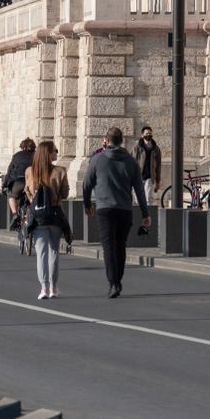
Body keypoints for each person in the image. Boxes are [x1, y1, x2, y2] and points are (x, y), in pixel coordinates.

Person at [81, 127, 150, 298]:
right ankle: (118, 279)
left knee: (108, 247)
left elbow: (86, 184)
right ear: (122, 141)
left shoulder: (97, 159)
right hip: (124, 209)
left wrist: (87, 204)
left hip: (104, 209)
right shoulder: (131, 161)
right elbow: (140, 190)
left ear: (107, 139)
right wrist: (145, 213)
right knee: (120, 246)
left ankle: (113, 282)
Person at [25, 141, 71, 299]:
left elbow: (29, 194)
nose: (56, 153)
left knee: (41, 254)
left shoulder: (30, 172)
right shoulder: (60, 171)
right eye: (55, 151)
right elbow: (65, 193)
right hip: (55, 216)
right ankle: (53, 287)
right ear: (48, 153)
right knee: (54, 253)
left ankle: (43, 288)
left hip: (38, 217)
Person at [3, 138, 36, 231]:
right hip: (32, 183)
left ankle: (15, 214)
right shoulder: (37, 155)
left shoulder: (17, 156)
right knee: (33, 199)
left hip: (19, 182)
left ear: (23, 147)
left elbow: (9, 172)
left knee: (11, 195)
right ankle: (29, 216)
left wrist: (4, 185)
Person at [133, 126, 161, 206]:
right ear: (142, 135)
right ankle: (138, 217)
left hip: (149, 176)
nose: (148, 135)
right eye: (146, 133)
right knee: (137, 199)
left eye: (150, 133)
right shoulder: (137, 147)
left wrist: (158, 181)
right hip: (138, 176)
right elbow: (132, 161)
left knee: (148, 198)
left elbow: (158, 165)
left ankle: (149, 216)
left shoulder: (156, 149)